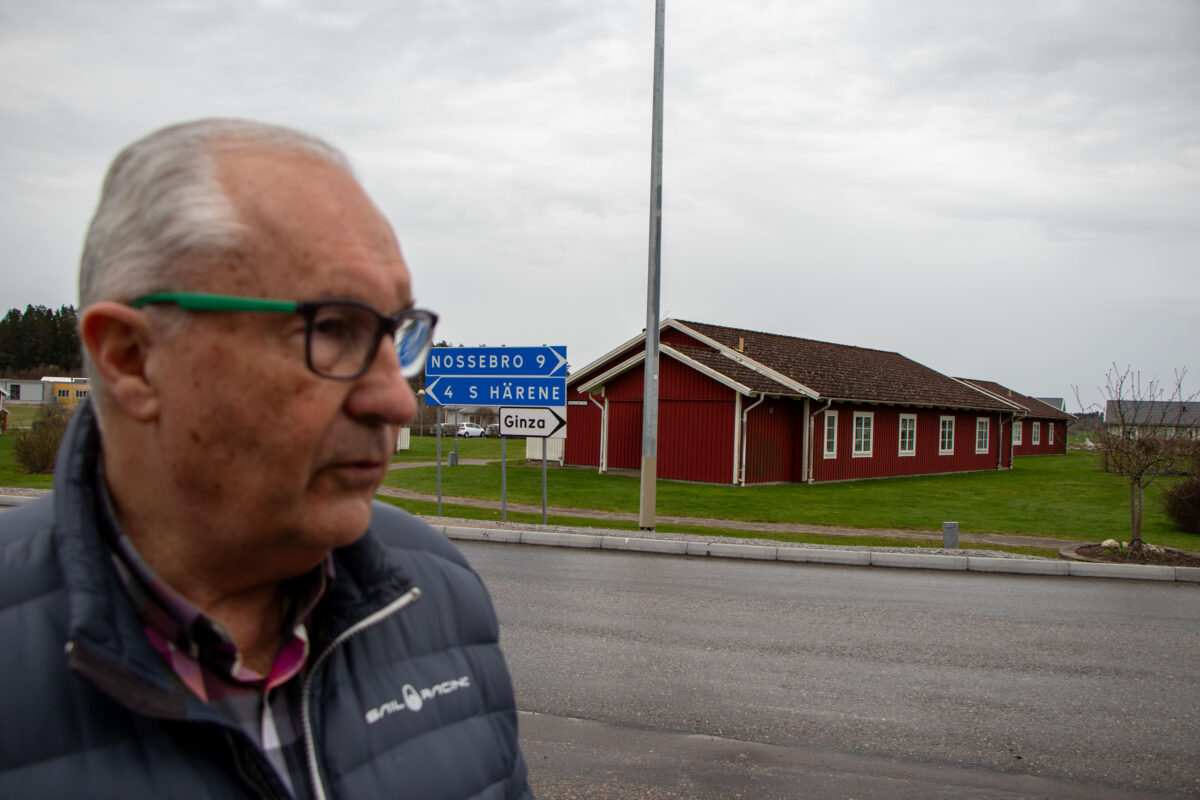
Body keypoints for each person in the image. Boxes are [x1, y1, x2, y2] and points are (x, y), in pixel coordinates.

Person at [0, 119, 533, 799]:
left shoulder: (439, 595)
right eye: (332, 329)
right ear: (132, 358)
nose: (397, 402)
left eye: (396, 332)